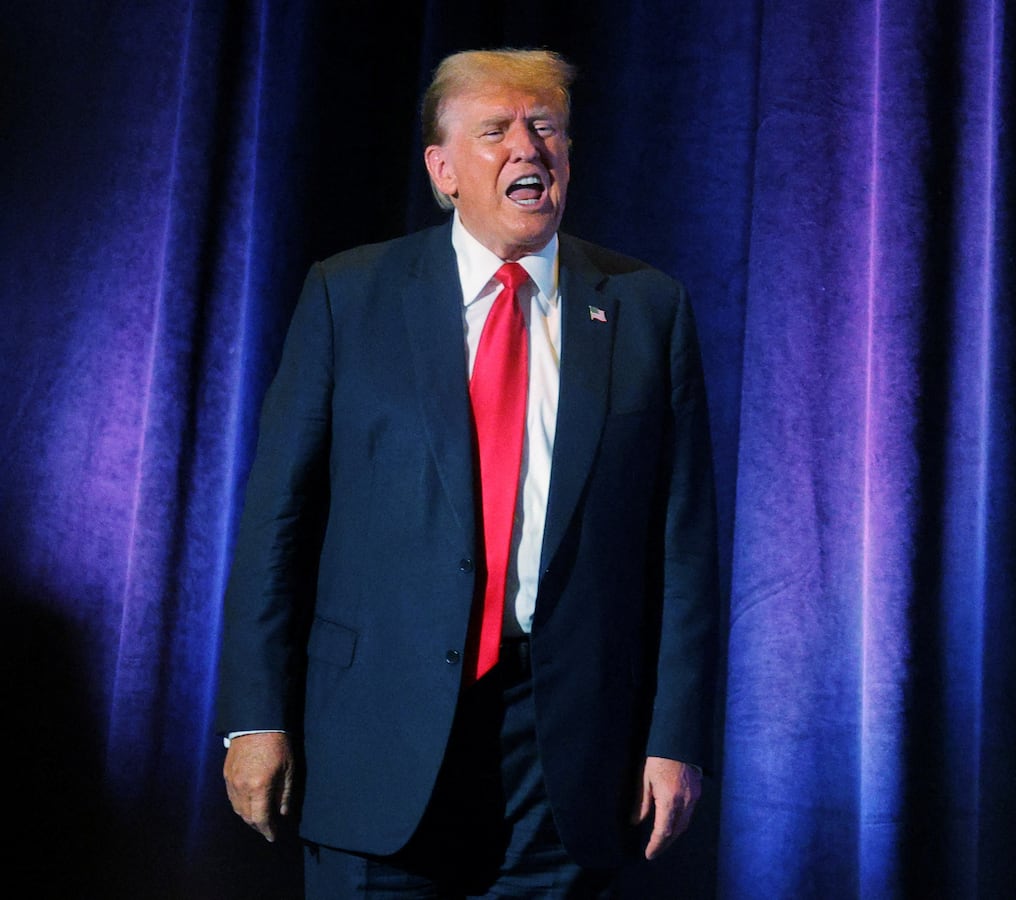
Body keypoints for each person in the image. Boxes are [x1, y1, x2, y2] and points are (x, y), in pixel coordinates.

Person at [216, 48, 720, 897]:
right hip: (378, 732)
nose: (529, 148)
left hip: (561, 751)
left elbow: (685, 548)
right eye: (497, 131)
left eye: (546, 128)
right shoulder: (351, 294)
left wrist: (675, 735)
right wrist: (254, 718)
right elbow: (277, 523)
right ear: (443, 169)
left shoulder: (646, 308)